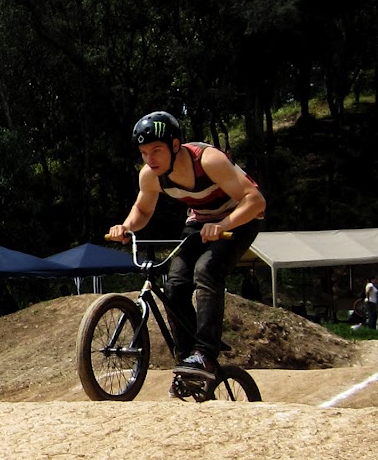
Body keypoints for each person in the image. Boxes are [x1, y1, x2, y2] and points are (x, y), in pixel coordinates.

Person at [108, 111, 267, 383]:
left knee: (206, 270)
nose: (150, 159)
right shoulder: (150, 175)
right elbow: (143, 210)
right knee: (175, 285)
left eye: (156, 150)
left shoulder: (209, 161)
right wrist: (126, 226)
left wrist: (224, 224)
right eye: (144, 152)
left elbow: (256, 201)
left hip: (241, 218)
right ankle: (187, 362)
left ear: (174, 145)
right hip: (201, 221)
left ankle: (205, 353)